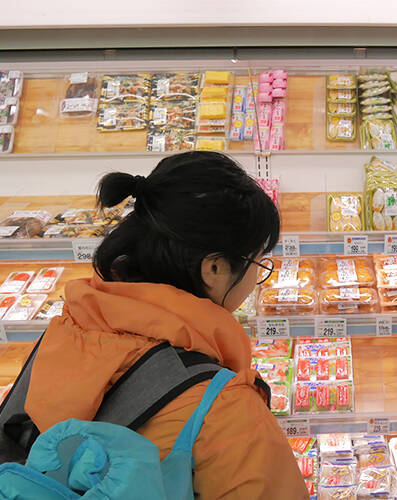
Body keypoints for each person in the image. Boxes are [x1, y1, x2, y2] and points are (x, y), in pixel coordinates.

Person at [23, 151, 308, 498]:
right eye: (259, 261)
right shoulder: (224, 409)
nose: (257, 275)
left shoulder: (65, 333)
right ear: (214, 268)